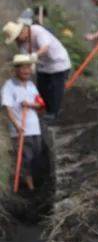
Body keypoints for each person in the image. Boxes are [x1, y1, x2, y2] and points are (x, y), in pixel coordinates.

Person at [4, 19, 72, 120]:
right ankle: (43, 111)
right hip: (43, 66)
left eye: (17, 37)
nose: (16, 40)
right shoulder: (21, 43)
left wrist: (35, 55)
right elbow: (25, 59)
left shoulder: (37, 31)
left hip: (58, 63)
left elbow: (45, 47)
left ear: (22, 31)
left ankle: (53, 113)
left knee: (55, 89)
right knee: (41, 89)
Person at [2, 54, 45, 193]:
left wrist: (30, 104)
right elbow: (7, 108)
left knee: (36, 156)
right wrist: (16, 126)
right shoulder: (9, 86)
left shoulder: (31, 85)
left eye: (28, 67)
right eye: (23, 68)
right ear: (17, 69)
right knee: (26, 158)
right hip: (20, 130)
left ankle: (33, 182)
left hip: (35, 128)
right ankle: (29, 188)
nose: (26, 71)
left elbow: (40, 104)